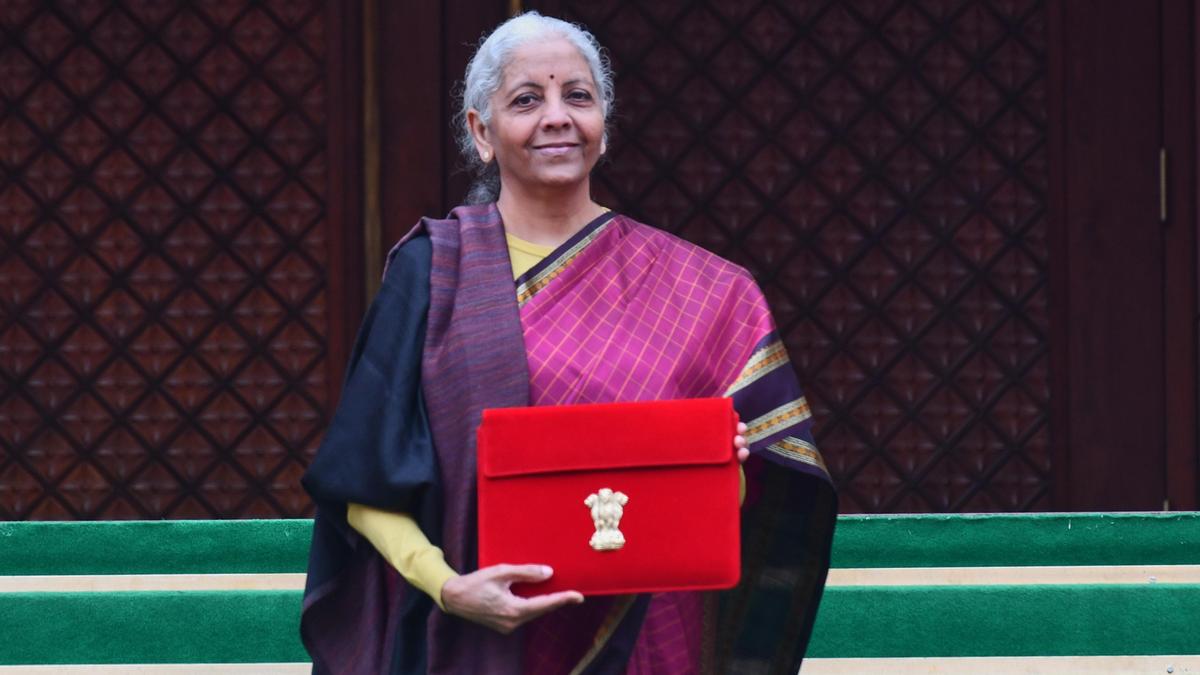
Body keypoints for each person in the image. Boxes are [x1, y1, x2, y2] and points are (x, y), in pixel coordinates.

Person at [300, 11, 835, 675]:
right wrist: (449, 586)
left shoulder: (705, 291)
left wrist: (725, 470)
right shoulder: (433, 272)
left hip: (647, 637)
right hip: (479, 641)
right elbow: (363, 477)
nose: (557, 117)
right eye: (527, 100)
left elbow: (765, 486)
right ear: (481, 132)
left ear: (603, 122)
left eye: (577, 96)